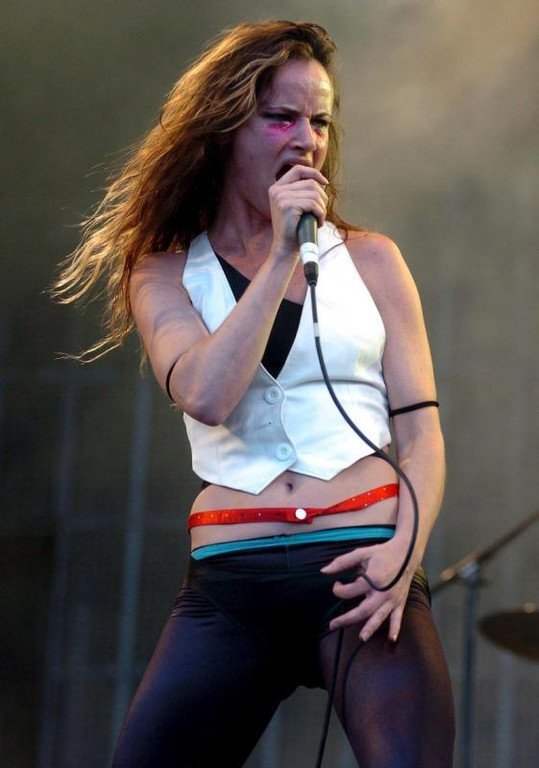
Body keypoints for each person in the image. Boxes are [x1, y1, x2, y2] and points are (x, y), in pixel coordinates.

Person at [54, 20, 455, 767]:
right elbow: (206, 394)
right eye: (281, 118)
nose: (306, 139)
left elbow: (421, 433)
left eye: (319, 121)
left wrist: (404, 556)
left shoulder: (371, 260)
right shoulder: (163, 272)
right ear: (226, 130)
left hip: (361, 565)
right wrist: (278, 256)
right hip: (232, 583)